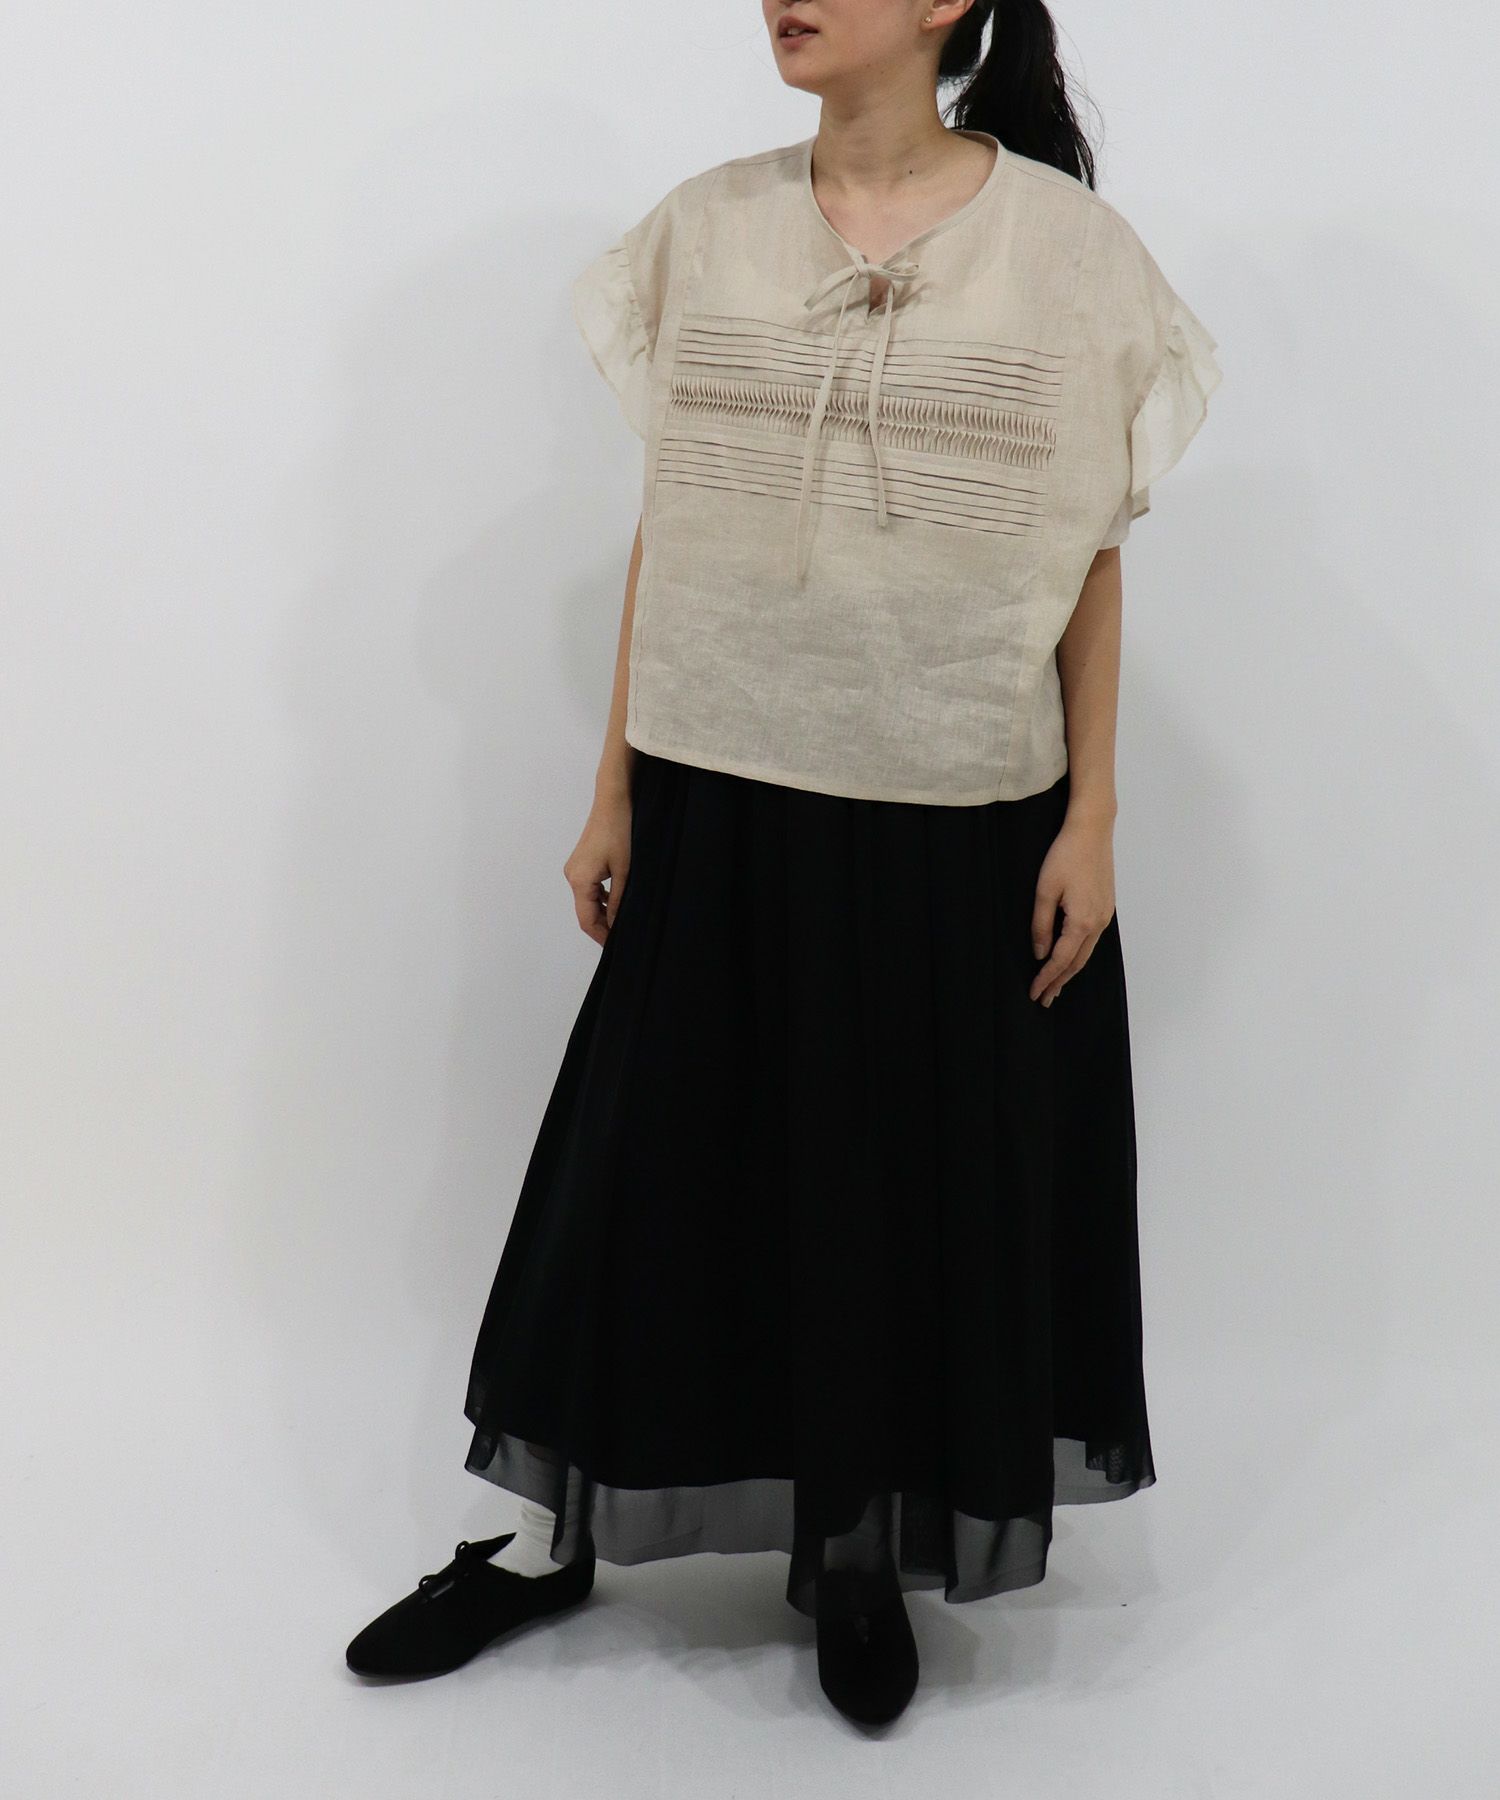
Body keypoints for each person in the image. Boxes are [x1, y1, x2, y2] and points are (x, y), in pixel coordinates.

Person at [345, 0, 1221, 1729]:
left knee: (888, 1186)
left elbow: (1092, 554)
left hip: (957, 806)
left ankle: (853, 1547)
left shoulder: (1069, 255)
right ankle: (538, 1538)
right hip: (720, 789)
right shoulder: (706, 227)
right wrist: (614, 786)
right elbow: (673, 520)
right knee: (640, 1177)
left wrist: (1095, 818)